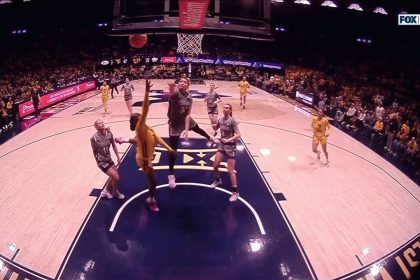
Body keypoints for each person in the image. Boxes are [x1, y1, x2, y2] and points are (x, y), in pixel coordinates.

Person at [115, 80, 176, 212]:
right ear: (138, 121)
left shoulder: (147, 128)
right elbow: (146, 108)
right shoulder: (140, 128)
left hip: (147, 156)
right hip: (144, 160)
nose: (142, 116)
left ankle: (151, 198)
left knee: (153, 181)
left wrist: (169, 149)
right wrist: (147, 92)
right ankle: (151, 200)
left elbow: (156, 138)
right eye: (140, 117)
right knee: (154, 183)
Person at [167, 76, 213, 189]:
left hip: (185, 119)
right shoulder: (175, 94)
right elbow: (172, 91)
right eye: (180, 81)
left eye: (184, 81)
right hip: (175, 123)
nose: (182, 82)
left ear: (188, 85)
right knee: (173, 150)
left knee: (197, 128)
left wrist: (187, 130)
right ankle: (171, 175)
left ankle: (209, 137)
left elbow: (188, 114)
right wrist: (172, 86)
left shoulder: (190, 97)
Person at [210, 104, 241, 202]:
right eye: (224, 107)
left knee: (230, 171)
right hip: (222, 145)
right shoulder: (220, 120)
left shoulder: (232, 120)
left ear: (230, 110)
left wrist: (228, 140)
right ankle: (218, 180)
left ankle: (235, 192)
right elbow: (216, 129)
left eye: (227, 108)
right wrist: (214, 124)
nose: (225, 109)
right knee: (215, 165)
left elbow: (239, 135)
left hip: (230, 147)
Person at [90, 119, 124, 199]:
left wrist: (118, 157)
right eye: (99, 123)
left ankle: (105, 191)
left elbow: (114, 145)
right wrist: (97, 162)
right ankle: (115, 192)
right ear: (96, 127)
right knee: (116, 177)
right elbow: (94, 151)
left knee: (114, 176)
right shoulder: (93, 138)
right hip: (101, 161)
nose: (101, 123)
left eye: (102, 122)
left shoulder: (109, 134)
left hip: (109, 159)